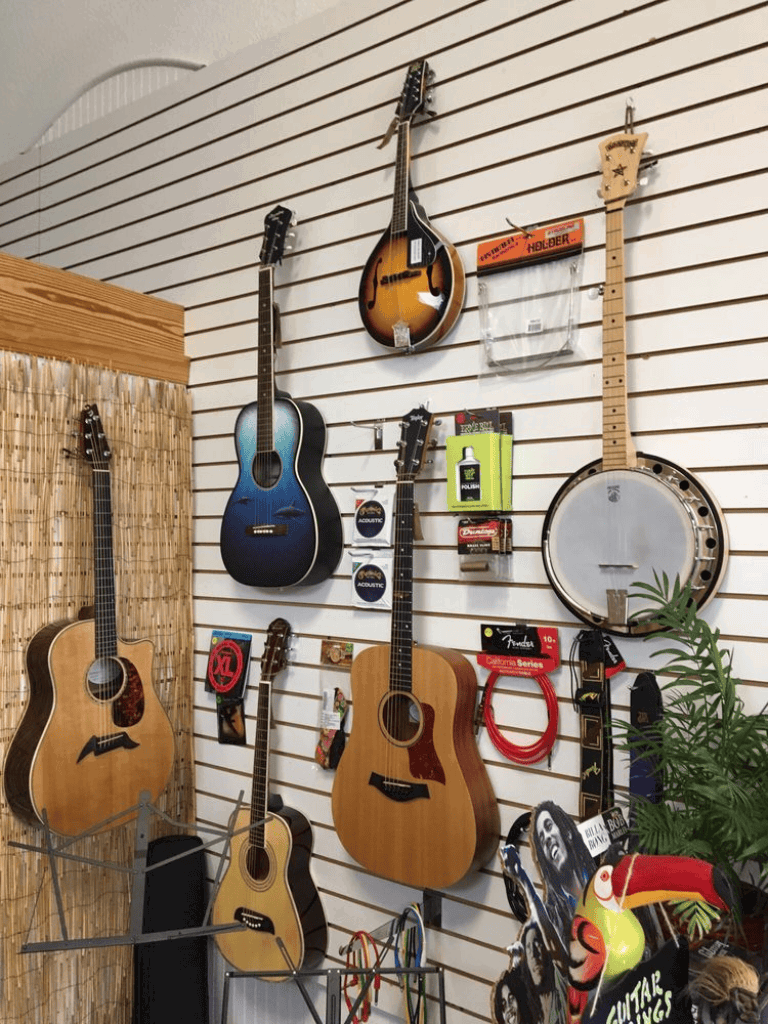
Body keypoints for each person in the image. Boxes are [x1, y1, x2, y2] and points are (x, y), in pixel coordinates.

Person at [531, 801, 596, 944]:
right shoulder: (554, 917)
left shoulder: (599, 874)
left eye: (549, 827)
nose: (547, 838)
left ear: (566, 832)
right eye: (542, 840)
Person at [522, 920, 569, 1024]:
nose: (533, 955)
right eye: (528, 949)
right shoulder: (532, 1012)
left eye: (537, 945)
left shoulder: (562, 993)